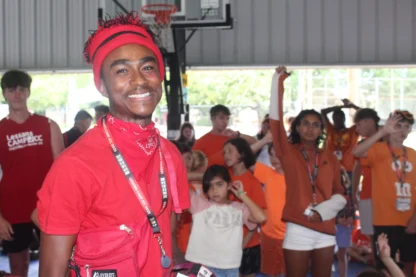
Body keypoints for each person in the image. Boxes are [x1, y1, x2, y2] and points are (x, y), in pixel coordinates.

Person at [36, 12, 190, 277]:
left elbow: (167, 236)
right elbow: (52, 271)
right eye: (121, 71)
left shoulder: (170, 154)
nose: (139, 80)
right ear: (103, 87)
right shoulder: (75, 165)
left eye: (148, 67)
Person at [269, 66, 346, 277]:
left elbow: (340, 191)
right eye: (305, 124)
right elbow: (275, 123)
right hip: (298, 228)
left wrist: (324, 211)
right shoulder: (289, 153)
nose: (310, 129)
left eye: (315, 125)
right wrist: (278, 82)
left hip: (325, 227)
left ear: (322, 130)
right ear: (297, 127)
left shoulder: (330, 156)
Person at [0, 70, 64, 277]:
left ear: (28, 92)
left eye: (21, 89)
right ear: (4, 94)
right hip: (12, 210)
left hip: (47, 207)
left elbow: (62, 172)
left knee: (54, 265)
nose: (17, 94)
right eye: (12, 90)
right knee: (18, 267)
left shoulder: (48, 125)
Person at [353, 110, 416, 277]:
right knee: (384, 267)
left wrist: (415, 219)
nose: (402, 130)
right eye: (398, 126)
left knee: (409, 265)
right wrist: (382, 132)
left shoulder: (413, 155)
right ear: (390, 127)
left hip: (409, 220)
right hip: (384, 220)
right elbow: (357, 152)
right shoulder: (378, 150)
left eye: (406, 127)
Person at [185, 165, 266, 277]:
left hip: (230, 268)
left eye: (219, 184)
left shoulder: (239, 208)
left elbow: (261, 218)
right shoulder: (200, 205)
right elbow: (177, 178)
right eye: (210, 186)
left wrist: (241, 195)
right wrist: (203, 176)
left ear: (229, 185)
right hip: (203, 266)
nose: (214, 190)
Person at [223, 138, 267, 277]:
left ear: (241, 155)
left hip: (247, 245)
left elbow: (257, 219)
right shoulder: (223, 177)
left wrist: (241, 246)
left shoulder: (253, 182)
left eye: (230, 151)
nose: (226, 155)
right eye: (224, 152)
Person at [253, 143, 286, 277]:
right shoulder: (267, 172)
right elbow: (246, 157)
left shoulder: (296, 178)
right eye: (271, 155)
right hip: (268, 233)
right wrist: (265, 139)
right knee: (271, 273)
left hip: (289, 235)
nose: (274, 159)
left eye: (277, 155)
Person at [352, 108, 381, 249]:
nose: (356, 129)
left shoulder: (387, 140)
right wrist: (353, 193)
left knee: (386, 237)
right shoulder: (361, 146)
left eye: (358, 125)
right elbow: (357, 169)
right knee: (370, 238)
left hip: (385, 198)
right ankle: (375, 268)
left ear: (369, 122)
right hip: (366, 196)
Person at [321, 98, 360, 177]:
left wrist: (352, 106)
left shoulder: (353, 131)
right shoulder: (330, 129)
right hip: (331, 169)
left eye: (339, 119)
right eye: (335, 119)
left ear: (344, 119)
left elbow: (367, 115)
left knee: (349, 189)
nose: (337, 121)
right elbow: (323, 112)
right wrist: (340, 107)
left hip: (349, 170)